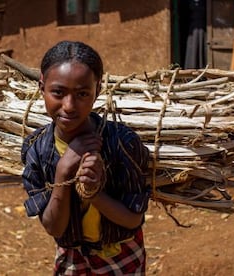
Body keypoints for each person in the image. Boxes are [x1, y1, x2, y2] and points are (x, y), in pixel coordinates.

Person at [21, 41, 151, 275]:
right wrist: (63, 171)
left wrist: (93, 193)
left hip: (122, 253)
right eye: (58, 92)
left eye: (82, 94)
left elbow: (133, 220)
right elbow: (53, 227)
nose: (69, 106)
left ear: (98, 89)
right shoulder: (36, 150)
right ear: (42, 86)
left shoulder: (122, 143)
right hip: (72, 257)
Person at [184, 0, 207, 69]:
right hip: (193, 27)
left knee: (201, 45)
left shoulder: (204, 2)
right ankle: (191, 67)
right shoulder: (190, 2)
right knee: (193, 46)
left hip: (202, 26)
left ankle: (201, 67)